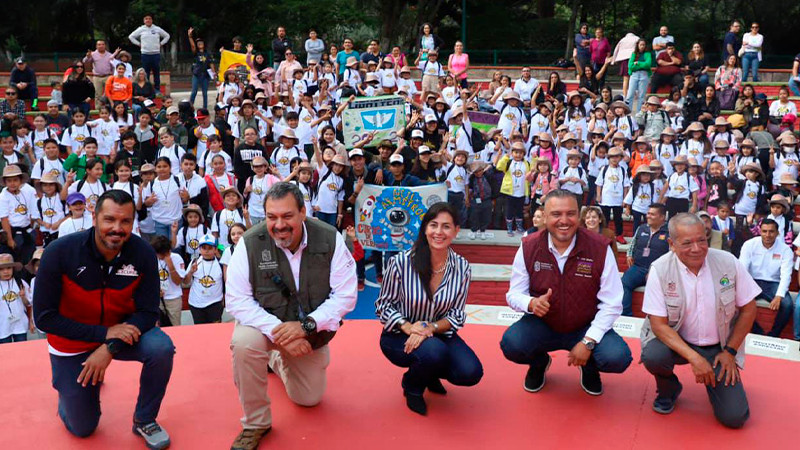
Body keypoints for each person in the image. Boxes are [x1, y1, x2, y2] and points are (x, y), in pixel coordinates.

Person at [33, 190, 174, 448]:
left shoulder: (142, 253)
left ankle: (145, 420)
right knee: (83, 428)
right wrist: (103, 335)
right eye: (109, 220)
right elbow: (44, 318)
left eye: (125, 221)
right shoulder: (59, 252)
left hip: (119, 334)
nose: (117, 228)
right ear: (94, 217)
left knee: (161, 347)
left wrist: (108, 348)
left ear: (133, 222)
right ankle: (68, 394)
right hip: (71, 344)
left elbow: (148, 312)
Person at [226, 182, 357, 449]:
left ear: (303, 212)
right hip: (267, 327)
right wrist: (281, 333)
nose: (279, 225)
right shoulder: (249, 243)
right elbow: (237, 301)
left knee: (309, 398)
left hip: (310, 331)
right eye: (272, 217)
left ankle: (275, 358)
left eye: (287, 216)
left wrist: (307, 326)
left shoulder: (330, 238)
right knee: (243, 342)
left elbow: (346, 296)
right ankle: (255, 423)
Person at [500, 190, 632, 396]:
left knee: (617, 357)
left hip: (585, 324)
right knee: (512, 344)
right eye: (556, 214)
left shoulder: (598, 247)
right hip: (543, 324)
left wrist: (589, 341)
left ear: (579, 215)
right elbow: (513, 294)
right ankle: (539, 362)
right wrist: (532, 303)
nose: (564, 220)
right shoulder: (529, 246)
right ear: (544, 216)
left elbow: (613, 302)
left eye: (570, 213)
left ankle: (589, 366)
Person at [640, 213, 759, 428]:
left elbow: (749, 309)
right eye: (687, 243)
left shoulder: (728, 262)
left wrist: (730, 352)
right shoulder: (660, 269)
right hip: (677, 343)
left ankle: (716, 379)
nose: (696, 248)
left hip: (719, 348)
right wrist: (695, 359)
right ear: (672, 244)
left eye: (701, 240)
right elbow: (658, 324)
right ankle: (668, 389)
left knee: (735, 417)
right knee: (654, 355)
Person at [375, 203, 483, 415]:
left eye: (446, 226)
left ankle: (429, 370)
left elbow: (457, 314)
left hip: (438, 333)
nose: (439, 232)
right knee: (434, 352)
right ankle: (412, 386)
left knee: (470, 372)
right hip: (400, 335)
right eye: (433, 225)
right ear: (425, 229)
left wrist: (430, 328)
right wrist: (409, 327)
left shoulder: (462, 267)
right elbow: (383, 305)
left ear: (456, 231)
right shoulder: (401, 262)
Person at [738, 219, 794, 337]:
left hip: (773, 284)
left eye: (771, 232)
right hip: (752, 281)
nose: (767, 235)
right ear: (760, 231)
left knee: (787, 304)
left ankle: (773, 335)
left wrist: (779, 296)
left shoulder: (785, 250)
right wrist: (743, 290)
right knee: (735, 300)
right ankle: (757, 332)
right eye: (764, 231)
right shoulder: (749, 244)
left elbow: (786, 275)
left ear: (778, 233)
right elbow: (742, 269)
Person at [621, 203, 669, 316]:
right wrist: (629, 254)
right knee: (624, 283)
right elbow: (633, 243)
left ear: (662, 217)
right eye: (648, 213)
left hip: (659, 271)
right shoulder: (641, 228)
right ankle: (626, 314)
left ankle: (655, 318)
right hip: (638, 267)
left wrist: (654, 271)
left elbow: (671, 255)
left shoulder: (669, 232)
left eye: (652, 214)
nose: (648, 216)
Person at [128, 13, 171, 92]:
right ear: (144, 21)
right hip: (145, 54)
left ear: (152, 20)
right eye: (146, 19)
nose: (148, 20)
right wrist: (139, 44)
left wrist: (161, 44)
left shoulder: (157, 29)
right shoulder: (141, 29)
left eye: (149, 19)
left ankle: (157, 89)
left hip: (155, 54)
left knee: (156, 73)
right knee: (145, 73)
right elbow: (131, 37)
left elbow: (167, 36)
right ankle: (146, 89)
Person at [187, 28, 216, 109]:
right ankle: (190, 106)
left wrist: (214, 74)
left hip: (205, 75)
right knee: (194, 92)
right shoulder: (196, 53)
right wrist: (190, 37)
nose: (200, 43)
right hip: (196, 74)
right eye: (198, 43)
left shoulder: (208, 54)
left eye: (201, 42)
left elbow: (211, 64)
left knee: (205, 93)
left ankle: (205, 108)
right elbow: (192, 46)